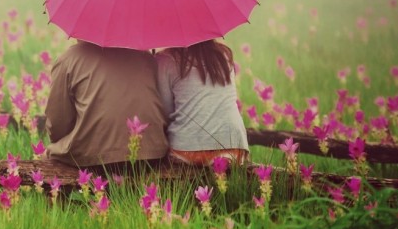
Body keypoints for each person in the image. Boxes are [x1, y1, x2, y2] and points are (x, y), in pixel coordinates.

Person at [45, 40, 169, 169]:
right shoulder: (146, 57)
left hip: (94, 158)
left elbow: (57, 123)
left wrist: (60, 142)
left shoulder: (69, 58)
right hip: (153, 155)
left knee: (50, 153)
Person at [155, 39, 249, 166]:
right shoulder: (224, 55)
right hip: (234, 147)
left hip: (186, 151)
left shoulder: (165, 60)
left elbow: (165, 113)